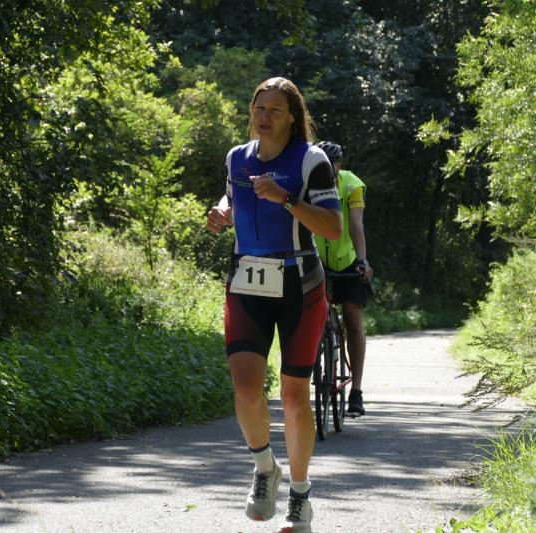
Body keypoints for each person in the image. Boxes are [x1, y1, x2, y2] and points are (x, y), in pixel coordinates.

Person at [206, 77, 342, 533]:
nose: (264, 117)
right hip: (246, 280)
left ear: (292, 118)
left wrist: (285, 199)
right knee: (245, 387)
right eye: (259, 108)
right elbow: (232, 195)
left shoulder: (310, 161)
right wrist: (223, 211)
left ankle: (300, 496)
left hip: (300, 285)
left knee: (293, 395)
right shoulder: (237, 157)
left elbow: (333, 227)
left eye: (275, 111)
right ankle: (265, 468)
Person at [313, 141, 374, 417]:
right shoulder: (307, 182)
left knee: (352, 317)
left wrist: (362, 261)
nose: (327, 170)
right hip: (316, 259)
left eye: (331, 165)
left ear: (339, 165)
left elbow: (356, 225)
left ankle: (356, 391)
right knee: (309, 316)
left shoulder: (352, 185)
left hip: (347, 259)